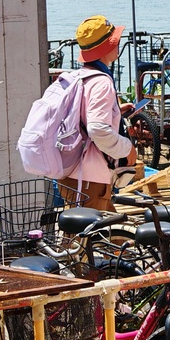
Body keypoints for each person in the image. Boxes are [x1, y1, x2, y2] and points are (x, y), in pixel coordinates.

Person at [59, 15, 137, 211]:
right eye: (114, 41)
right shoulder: (102, 82)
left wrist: (116, 112)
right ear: (106, 48)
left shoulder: (79, 77)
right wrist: (127, 149)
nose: (118, 44)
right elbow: (97, 129)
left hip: (71, 172)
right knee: (95, 239)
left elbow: (83, 116)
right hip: (89, 178)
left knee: (103, 236)